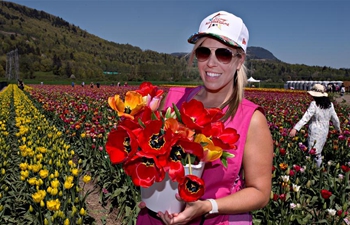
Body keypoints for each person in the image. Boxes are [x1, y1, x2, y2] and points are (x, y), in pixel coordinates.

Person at [137, 11, 273, 225]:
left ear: (239, 60)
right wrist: (150, 191)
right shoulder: (173, 100)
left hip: (218, 220)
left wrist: (208, 206)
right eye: (203, 52)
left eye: (223, 54)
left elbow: (260, 192)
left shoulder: (251, 119)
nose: (211, 62)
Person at [289, 83, 341, 167]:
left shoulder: (314, 104)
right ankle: (316, 169)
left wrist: (295, 128)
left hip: (314, 131)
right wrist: (338, 129)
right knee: (317, 151)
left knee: (313, 153)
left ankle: (315, 170)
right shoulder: (330, 105)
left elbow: (305, 117)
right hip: (324, 131)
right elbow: (335, 119)